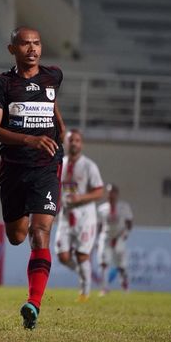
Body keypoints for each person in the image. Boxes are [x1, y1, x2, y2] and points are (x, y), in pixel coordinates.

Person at [0, 26, 66, 330]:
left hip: (46, 168)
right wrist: (29, 140)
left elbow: (52, 105)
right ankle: (33, 299)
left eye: (37, 44)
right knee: (17, 236)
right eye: (25, 44)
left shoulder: (53, 76)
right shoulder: (2, 84)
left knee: (39, 233)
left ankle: (34, 303)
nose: (32, 49)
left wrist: (62, 133)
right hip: (13, 168)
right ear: (12, 49)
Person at [54, 129, 104, 302]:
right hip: (66, 214)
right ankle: (85, 272)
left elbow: (99, 191)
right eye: (70, 140)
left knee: (82, 255)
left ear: (81, 143)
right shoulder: (61, 163)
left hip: (85, 216)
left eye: (77, 140)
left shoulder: (89, 166)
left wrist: (81, 197)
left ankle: (85, 292)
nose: (74, 143)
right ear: (66, 143)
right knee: (63, 256)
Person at [96, 184, 133, 296]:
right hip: (106, 237)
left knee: (121, 265)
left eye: (112, 192)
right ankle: (104, 288)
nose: (110, 195)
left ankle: (124, 283)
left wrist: (126, 233)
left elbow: (129, 222)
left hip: (119, 236)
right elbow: (99, 225)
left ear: (117, 194)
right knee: (103, 262)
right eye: (108, 192)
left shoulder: (124, 207)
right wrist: (98, 239)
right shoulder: (102, 209)